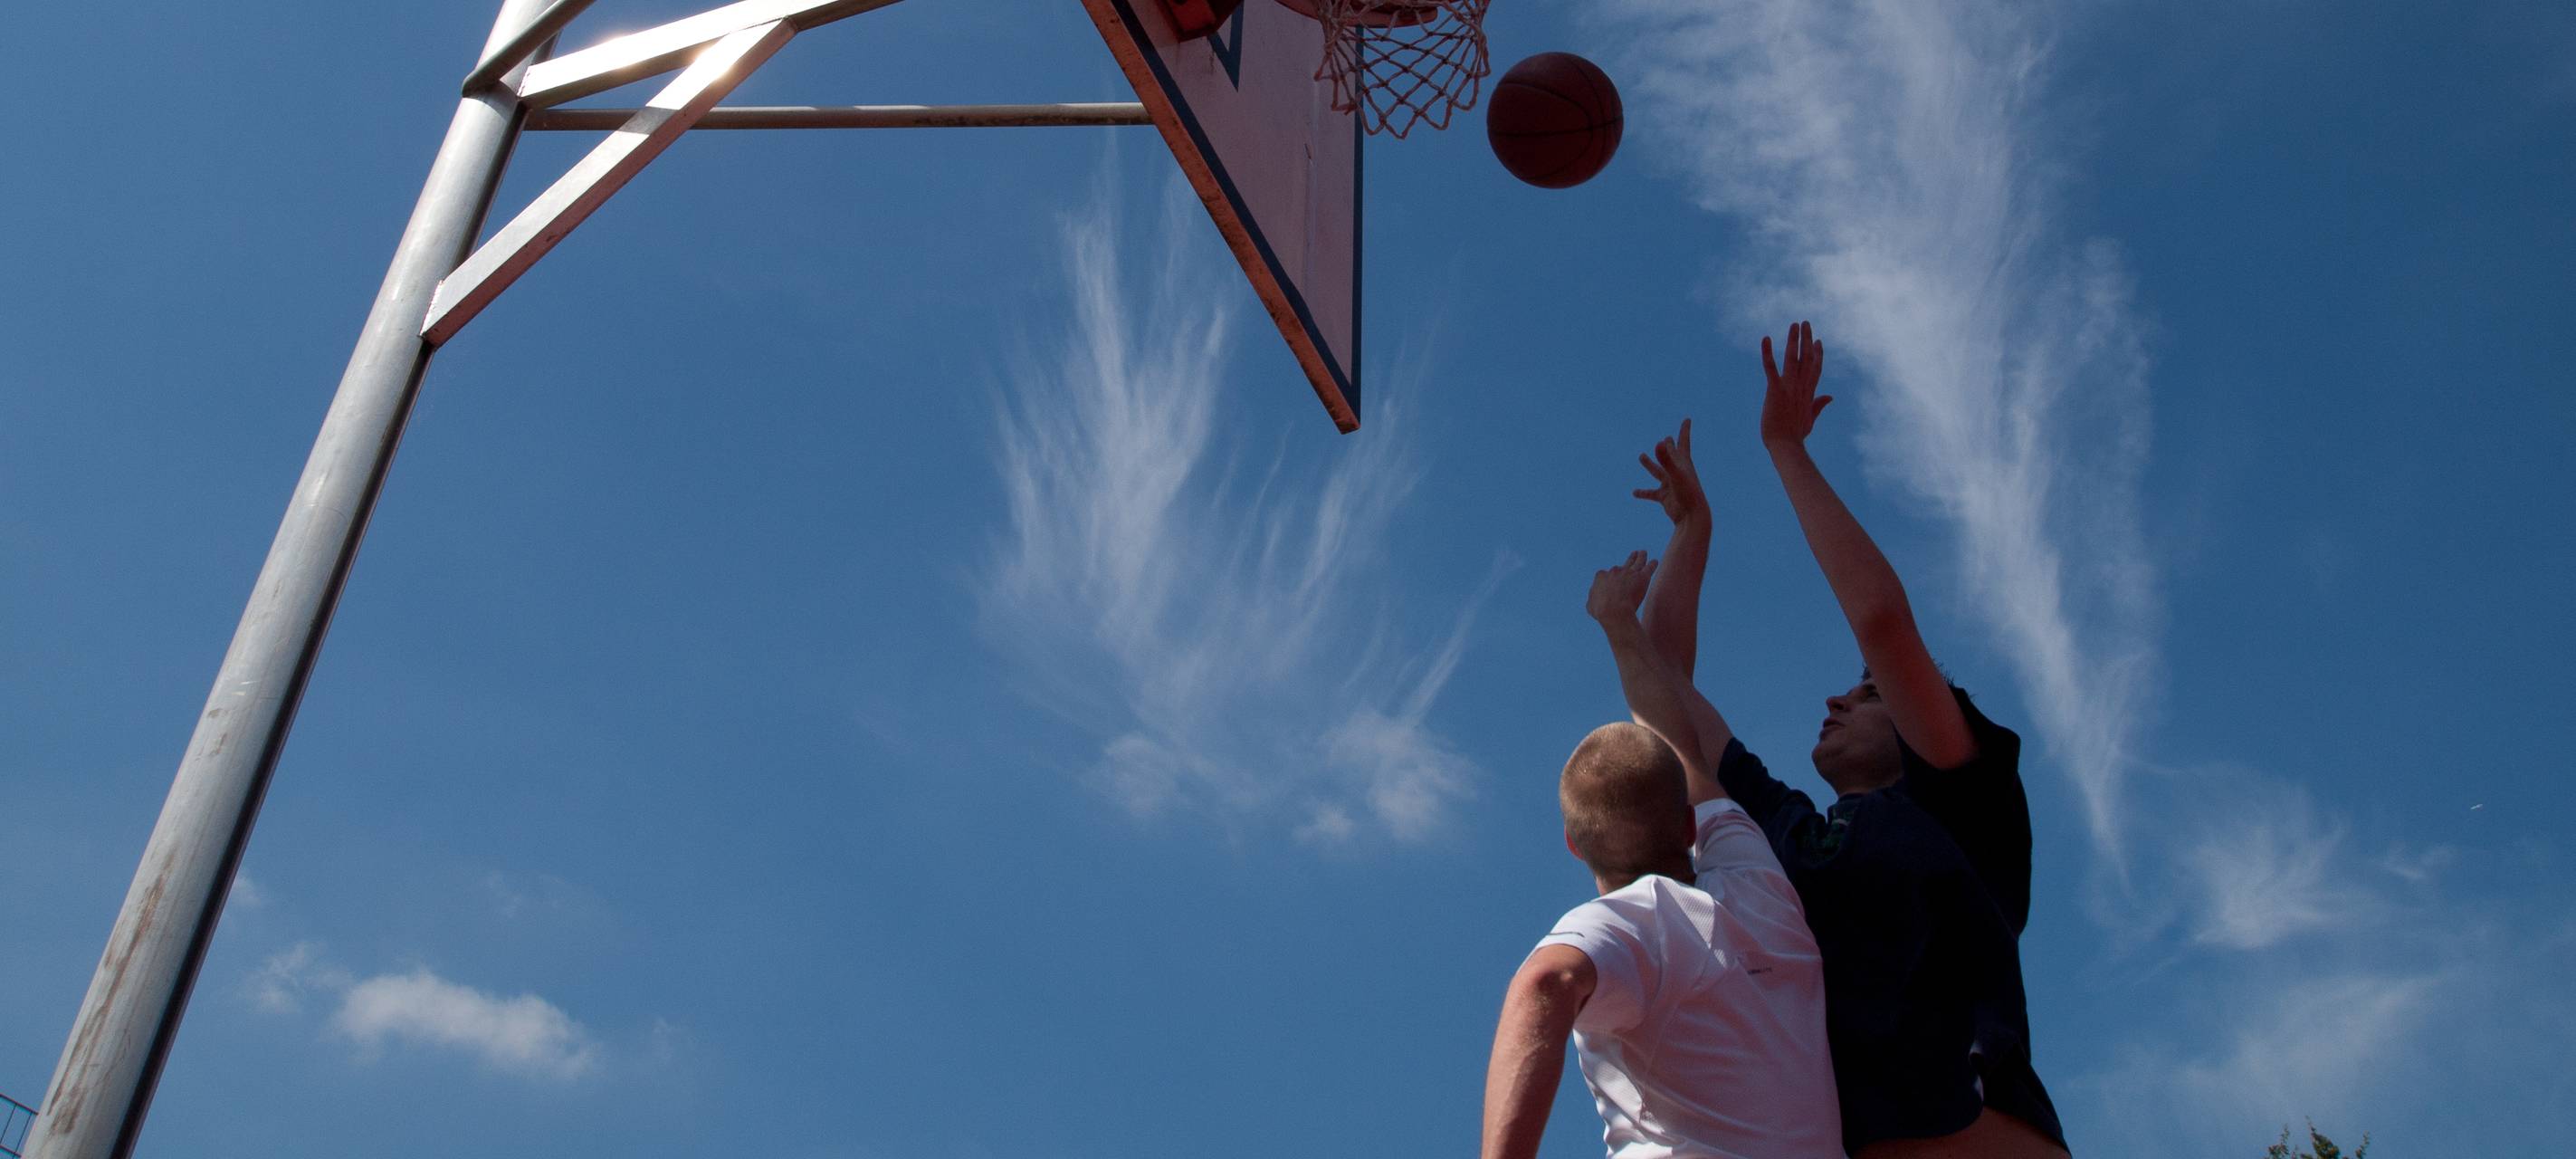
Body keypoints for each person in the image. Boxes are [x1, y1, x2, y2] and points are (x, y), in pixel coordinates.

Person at [1624, 321, 2070, 1157]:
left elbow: (1882, 623)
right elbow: (1663, 691)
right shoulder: (1787, 834)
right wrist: (1692, 533)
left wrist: (1785, 447)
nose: (1836, 697)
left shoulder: (1962, 807)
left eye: (1868, 695)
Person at [1479, 554, 1843, 1159]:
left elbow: (1544, 982)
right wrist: (1620, 622)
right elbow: (1685, 750)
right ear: (1690, 825)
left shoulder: (1629, 926)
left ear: (1573, 845)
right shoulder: (1759, 886)